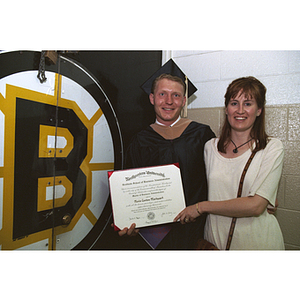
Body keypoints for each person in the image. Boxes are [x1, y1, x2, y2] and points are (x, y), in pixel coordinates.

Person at [174, 76, 285, 250]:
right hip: (215, 242)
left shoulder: (271, 147)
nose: (240, 110)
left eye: (248, 104)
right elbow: (193, 184)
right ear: (226, 109)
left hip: (257, 242)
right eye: (234, 103)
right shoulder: (210, 147)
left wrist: (200, 207)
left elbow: (256, 206)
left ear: (259, 110)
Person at [116, 59, 215, 249]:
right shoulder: (139, 140)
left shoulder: (202, 134)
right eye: (162, 94)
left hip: (196, 230)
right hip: (154, 233)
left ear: (184, 101)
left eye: (176, 95)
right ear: (152, 98)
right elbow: (128, 190)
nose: (169, 101)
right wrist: (127, 220)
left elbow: (222, 173)